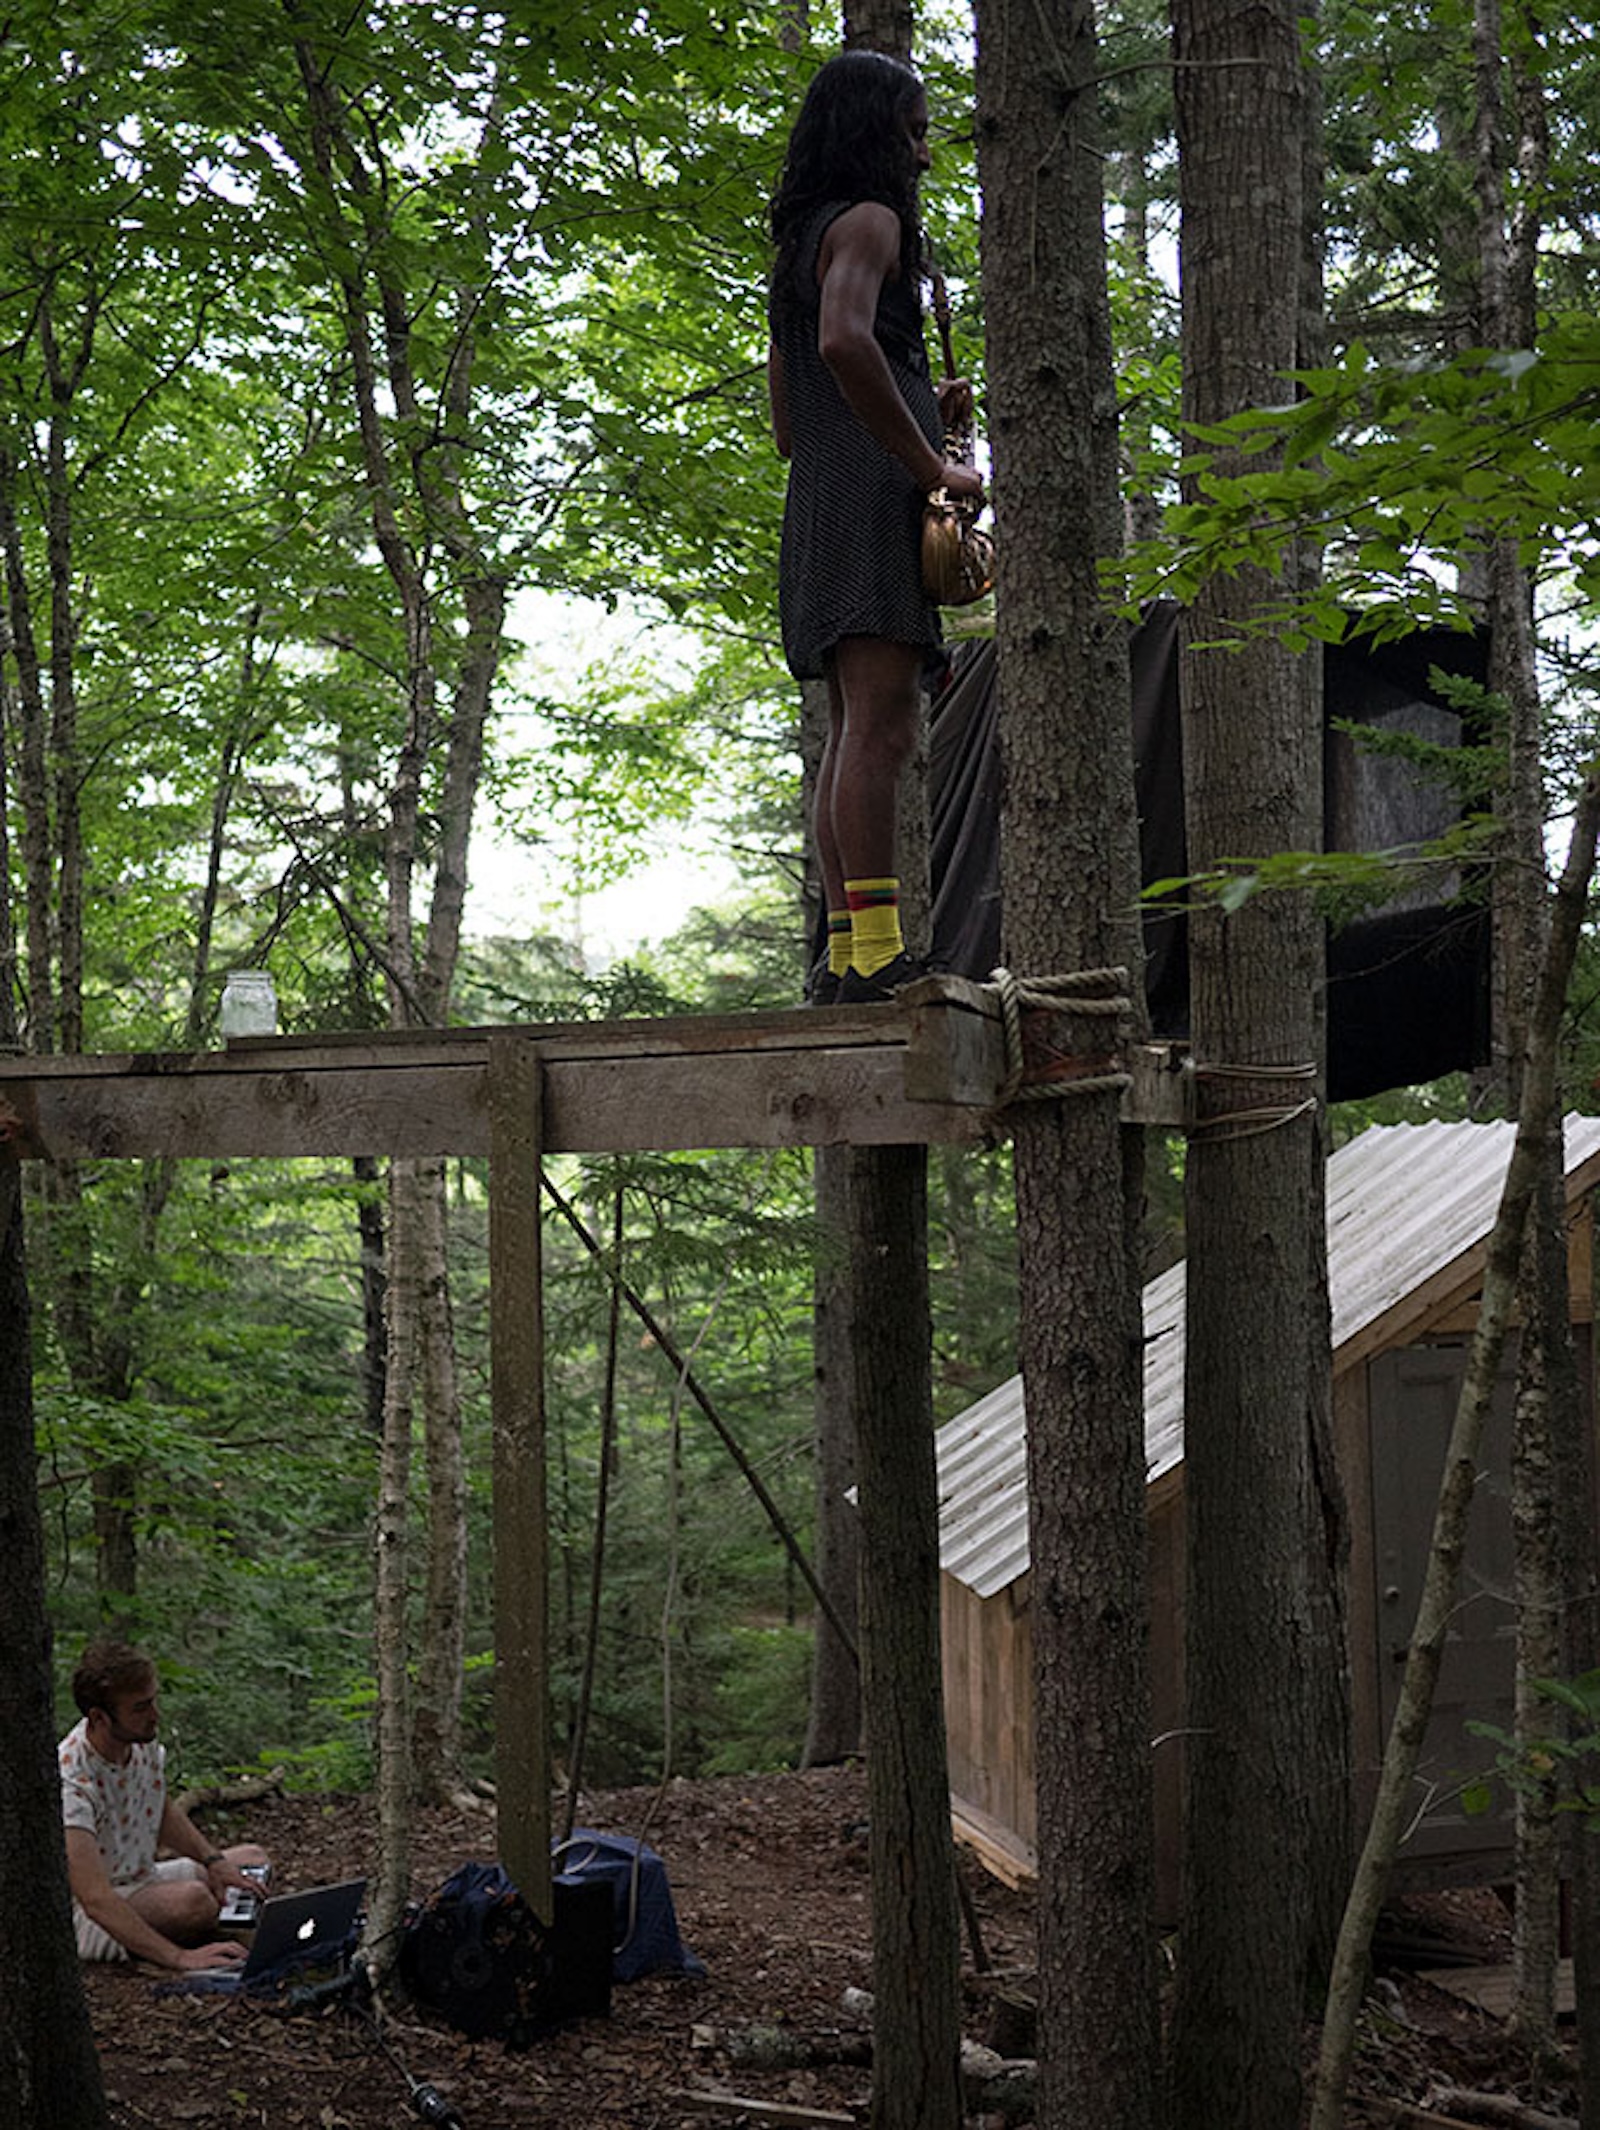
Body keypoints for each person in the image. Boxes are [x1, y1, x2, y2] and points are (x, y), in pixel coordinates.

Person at [768, 47, 985, 1005]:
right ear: (878, 131)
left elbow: (789, 412)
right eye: (915, 130)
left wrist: (918, 397)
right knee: (883, 727)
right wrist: (931, 462)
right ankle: (878, 959)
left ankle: (852, 954)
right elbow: (842, 341)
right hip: (867, 492)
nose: (926, 153)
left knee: (859, 723)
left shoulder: (800, 242)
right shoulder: (870, 220)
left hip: (821, 489)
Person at [58, 1635, 270, 1971]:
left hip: (145, 1877)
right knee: (194, 1901)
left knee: (252, 1859)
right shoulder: (71, 1782)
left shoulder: (137, 1743)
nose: (154, 1715)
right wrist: (179, 1958)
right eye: (140, 1708)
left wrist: (213, 1861)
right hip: (95, 1915)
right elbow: (94, 1899)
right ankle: (211, 1941)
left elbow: (160, 1808)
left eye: (153, 1701)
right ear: (99, 1718)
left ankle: (250, 1938)